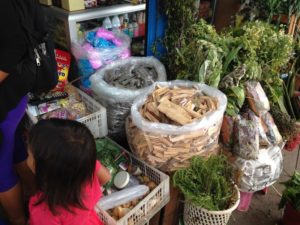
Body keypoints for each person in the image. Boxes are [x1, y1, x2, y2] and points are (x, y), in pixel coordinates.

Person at [27, 119, 111, 225]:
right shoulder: (85, 169)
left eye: (29, 155)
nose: (27, 156)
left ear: (46, 173)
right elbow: (106, 177)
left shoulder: (43, 212)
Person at [0, 1, 36, 224]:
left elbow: (14, 45)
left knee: (1, 170)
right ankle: (34, 200)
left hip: (5, 100)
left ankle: (19, 218)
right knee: (13, 148)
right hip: (12, 97)